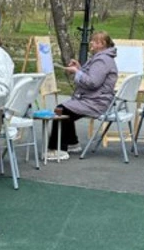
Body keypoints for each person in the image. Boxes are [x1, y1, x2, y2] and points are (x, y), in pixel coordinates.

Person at [47, 31, 118, 161]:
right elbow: (93, 76)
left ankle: (58, 149)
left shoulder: (102, 60)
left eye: (94, 41)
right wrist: (79, 69)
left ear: (102, 44)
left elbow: (92, 82)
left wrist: (77, 72)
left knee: (61, 110)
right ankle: (72, 143)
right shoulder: (103, 58)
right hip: (95, 99)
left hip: (96, 101)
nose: (91, 43)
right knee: (67, 109)